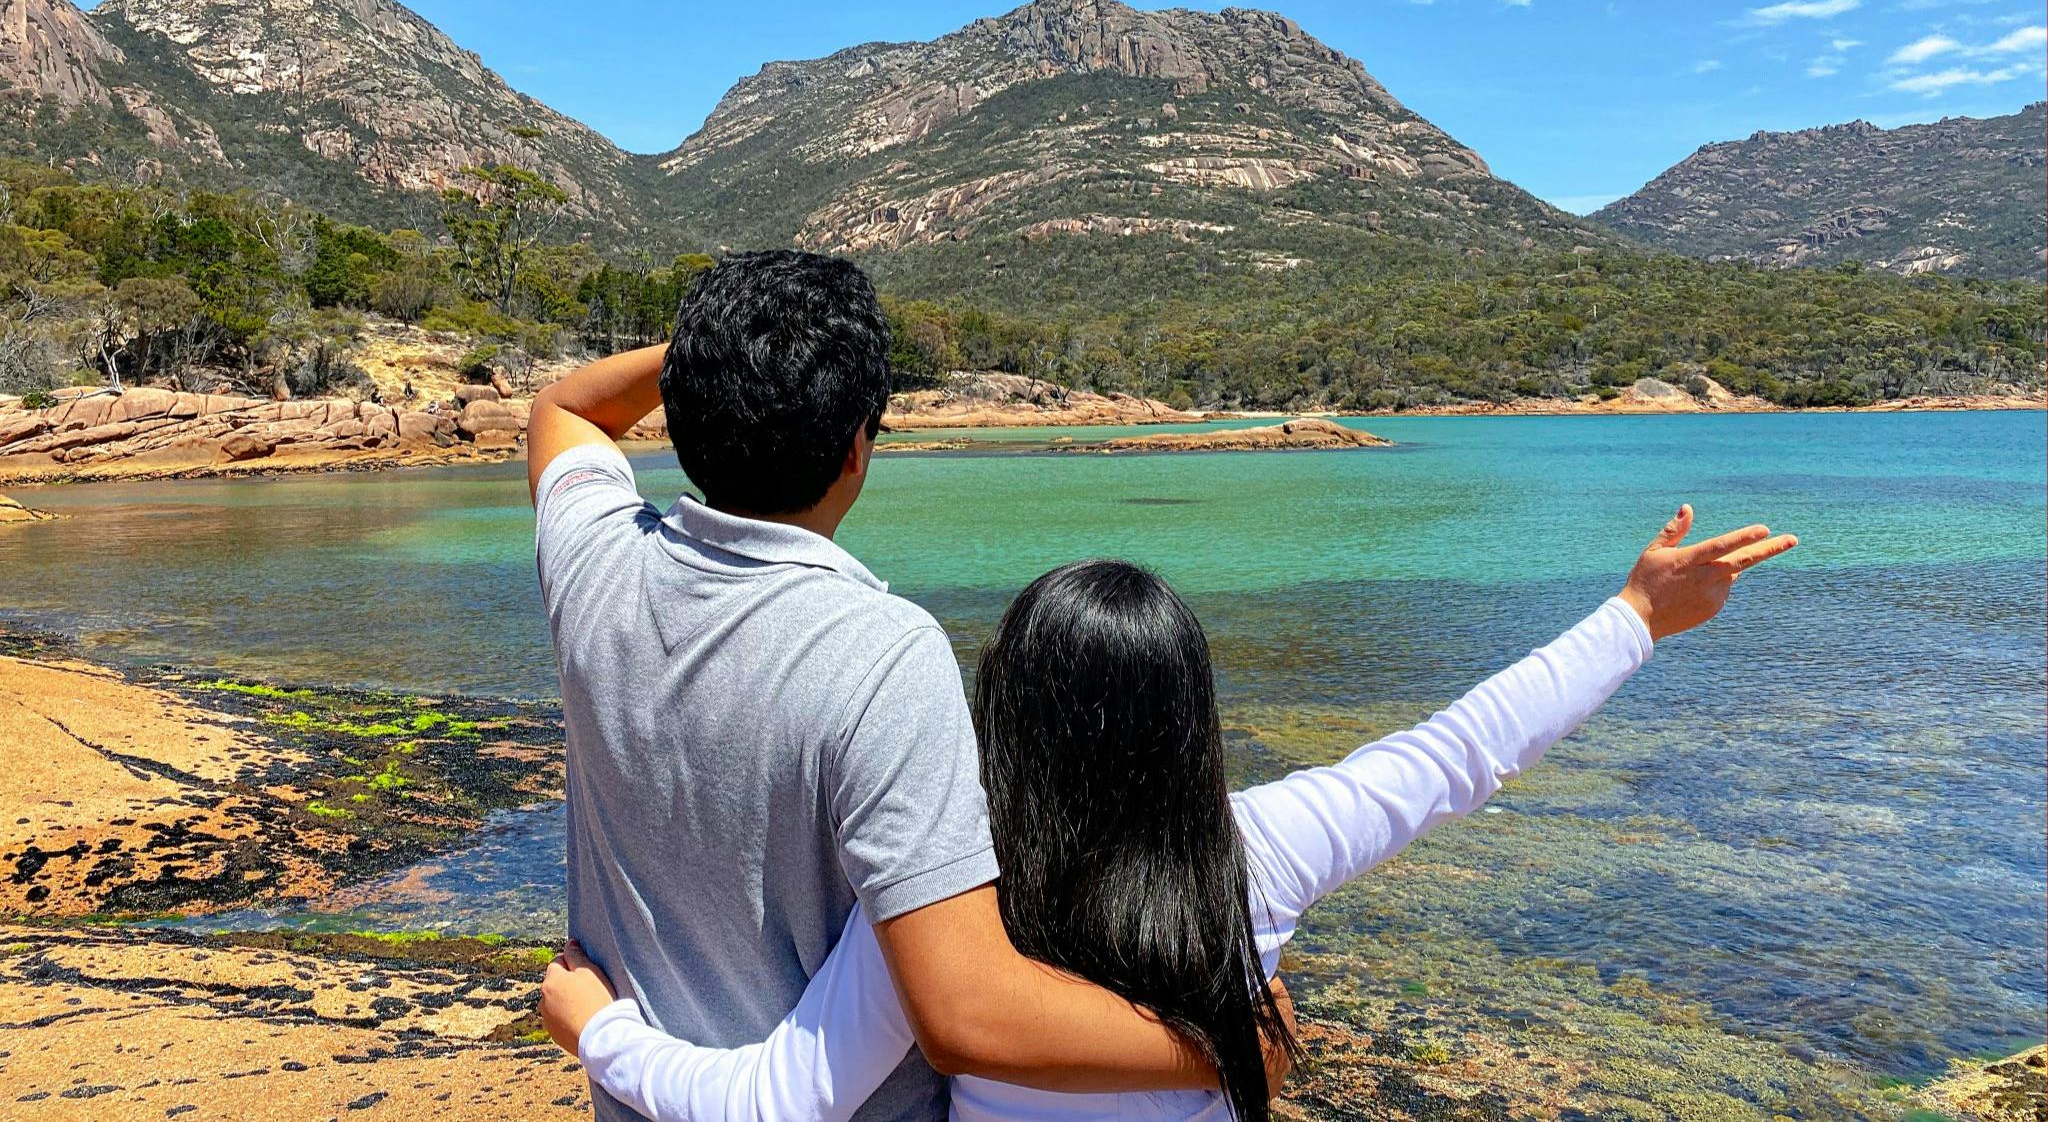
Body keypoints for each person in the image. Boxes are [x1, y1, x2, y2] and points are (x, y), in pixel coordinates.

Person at [537, 512, 1795, 1122]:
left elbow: (778, 1098)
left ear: (1002, 708)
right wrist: (1633, 615)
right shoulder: (1263, 848)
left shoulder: (944, 899)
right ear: (1188, 709)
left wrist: (600, 1031)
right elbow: (1459, 752)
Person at [528, 252, 1277, 1122]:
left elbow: (564, 406)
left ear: (687, 408)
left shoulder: (594, 567)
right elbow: (965, 1016)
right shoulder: (884, 653)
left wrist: (724, 354)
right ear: (857, 449)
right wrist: (1232, 1044)